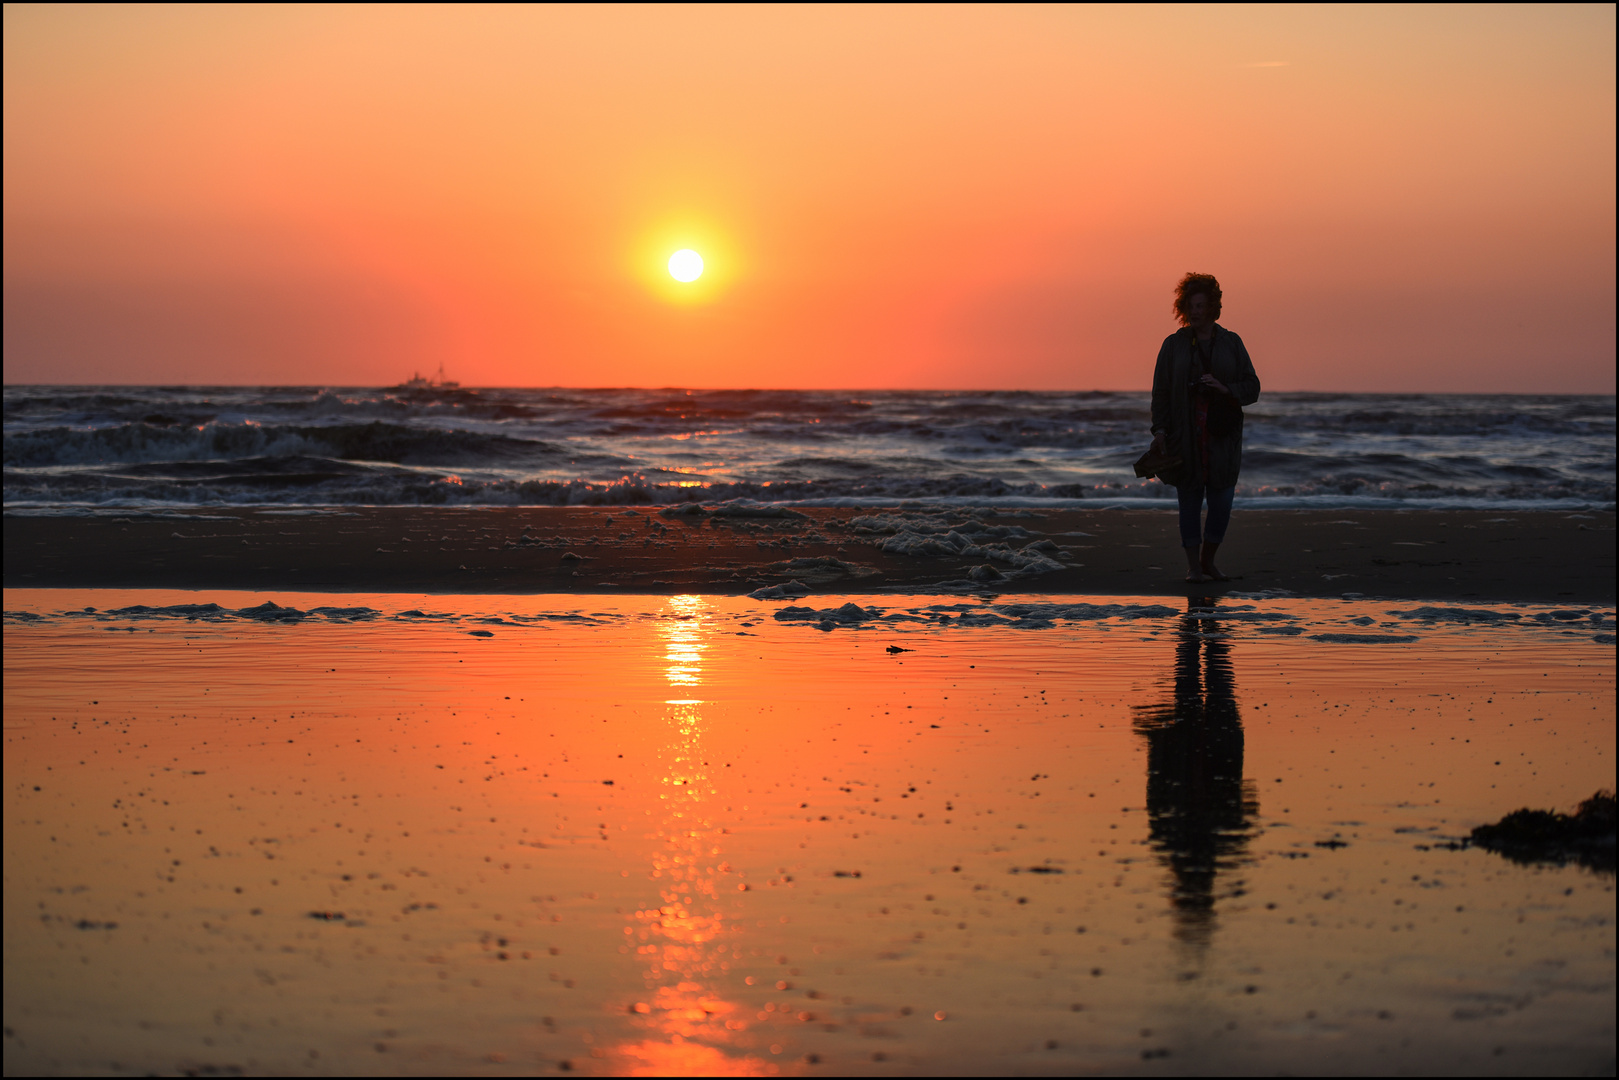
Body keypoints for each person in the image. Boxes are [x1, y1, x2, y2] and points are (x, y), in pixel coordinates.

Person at [1149, 273, 1260, 583]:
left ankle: (1208, 561)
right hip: (1185, 438)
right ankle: (1193, 568)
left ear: (1213, 306)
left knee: (1222, 503)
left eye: (1200, 305)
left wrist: (1225, 388)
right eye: (1190, 305)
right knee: (1189, 502)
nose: (1195, 311)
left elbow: (1253, 387)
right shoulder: (1173, 345)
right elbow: (1161, 393)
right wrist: (1159, 431)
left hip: (1222, 439)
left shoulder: (1231, 342)